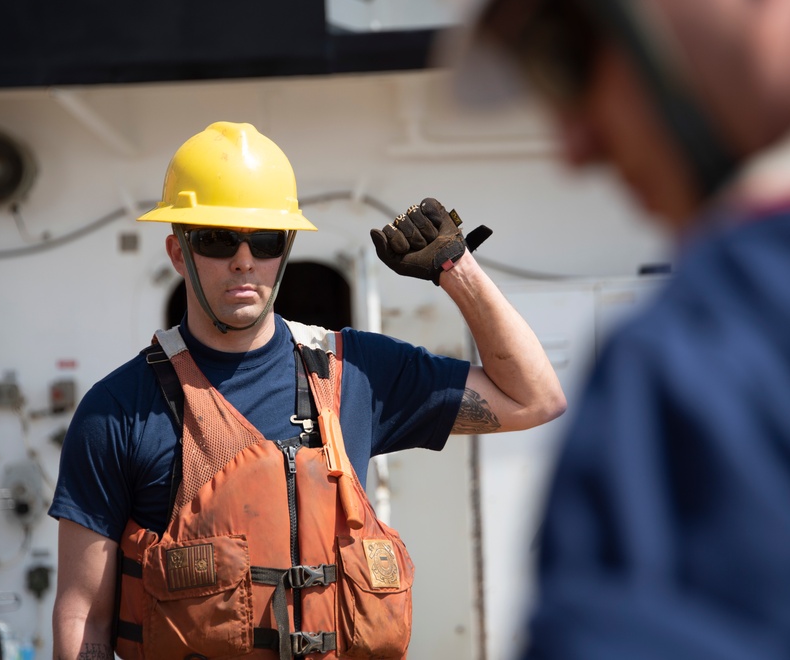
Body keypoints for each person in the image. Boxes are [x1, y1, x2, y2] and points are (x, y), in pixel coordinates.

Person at [456, 0, 790, 657]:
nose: (575, 148)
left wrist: (456, 272)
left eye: (564, 50)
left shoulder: (742, 334)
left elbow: (532, 397)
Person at [48, 121, 566, 660]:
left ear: (286, 249)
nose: (244, 260)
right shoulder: (116, 412)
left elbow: (535, 399)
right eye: (217, 239)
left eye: (266, 240)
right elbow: (84, 615)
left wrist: (457, 270)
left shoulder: (357, 373)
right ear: (179, 253)